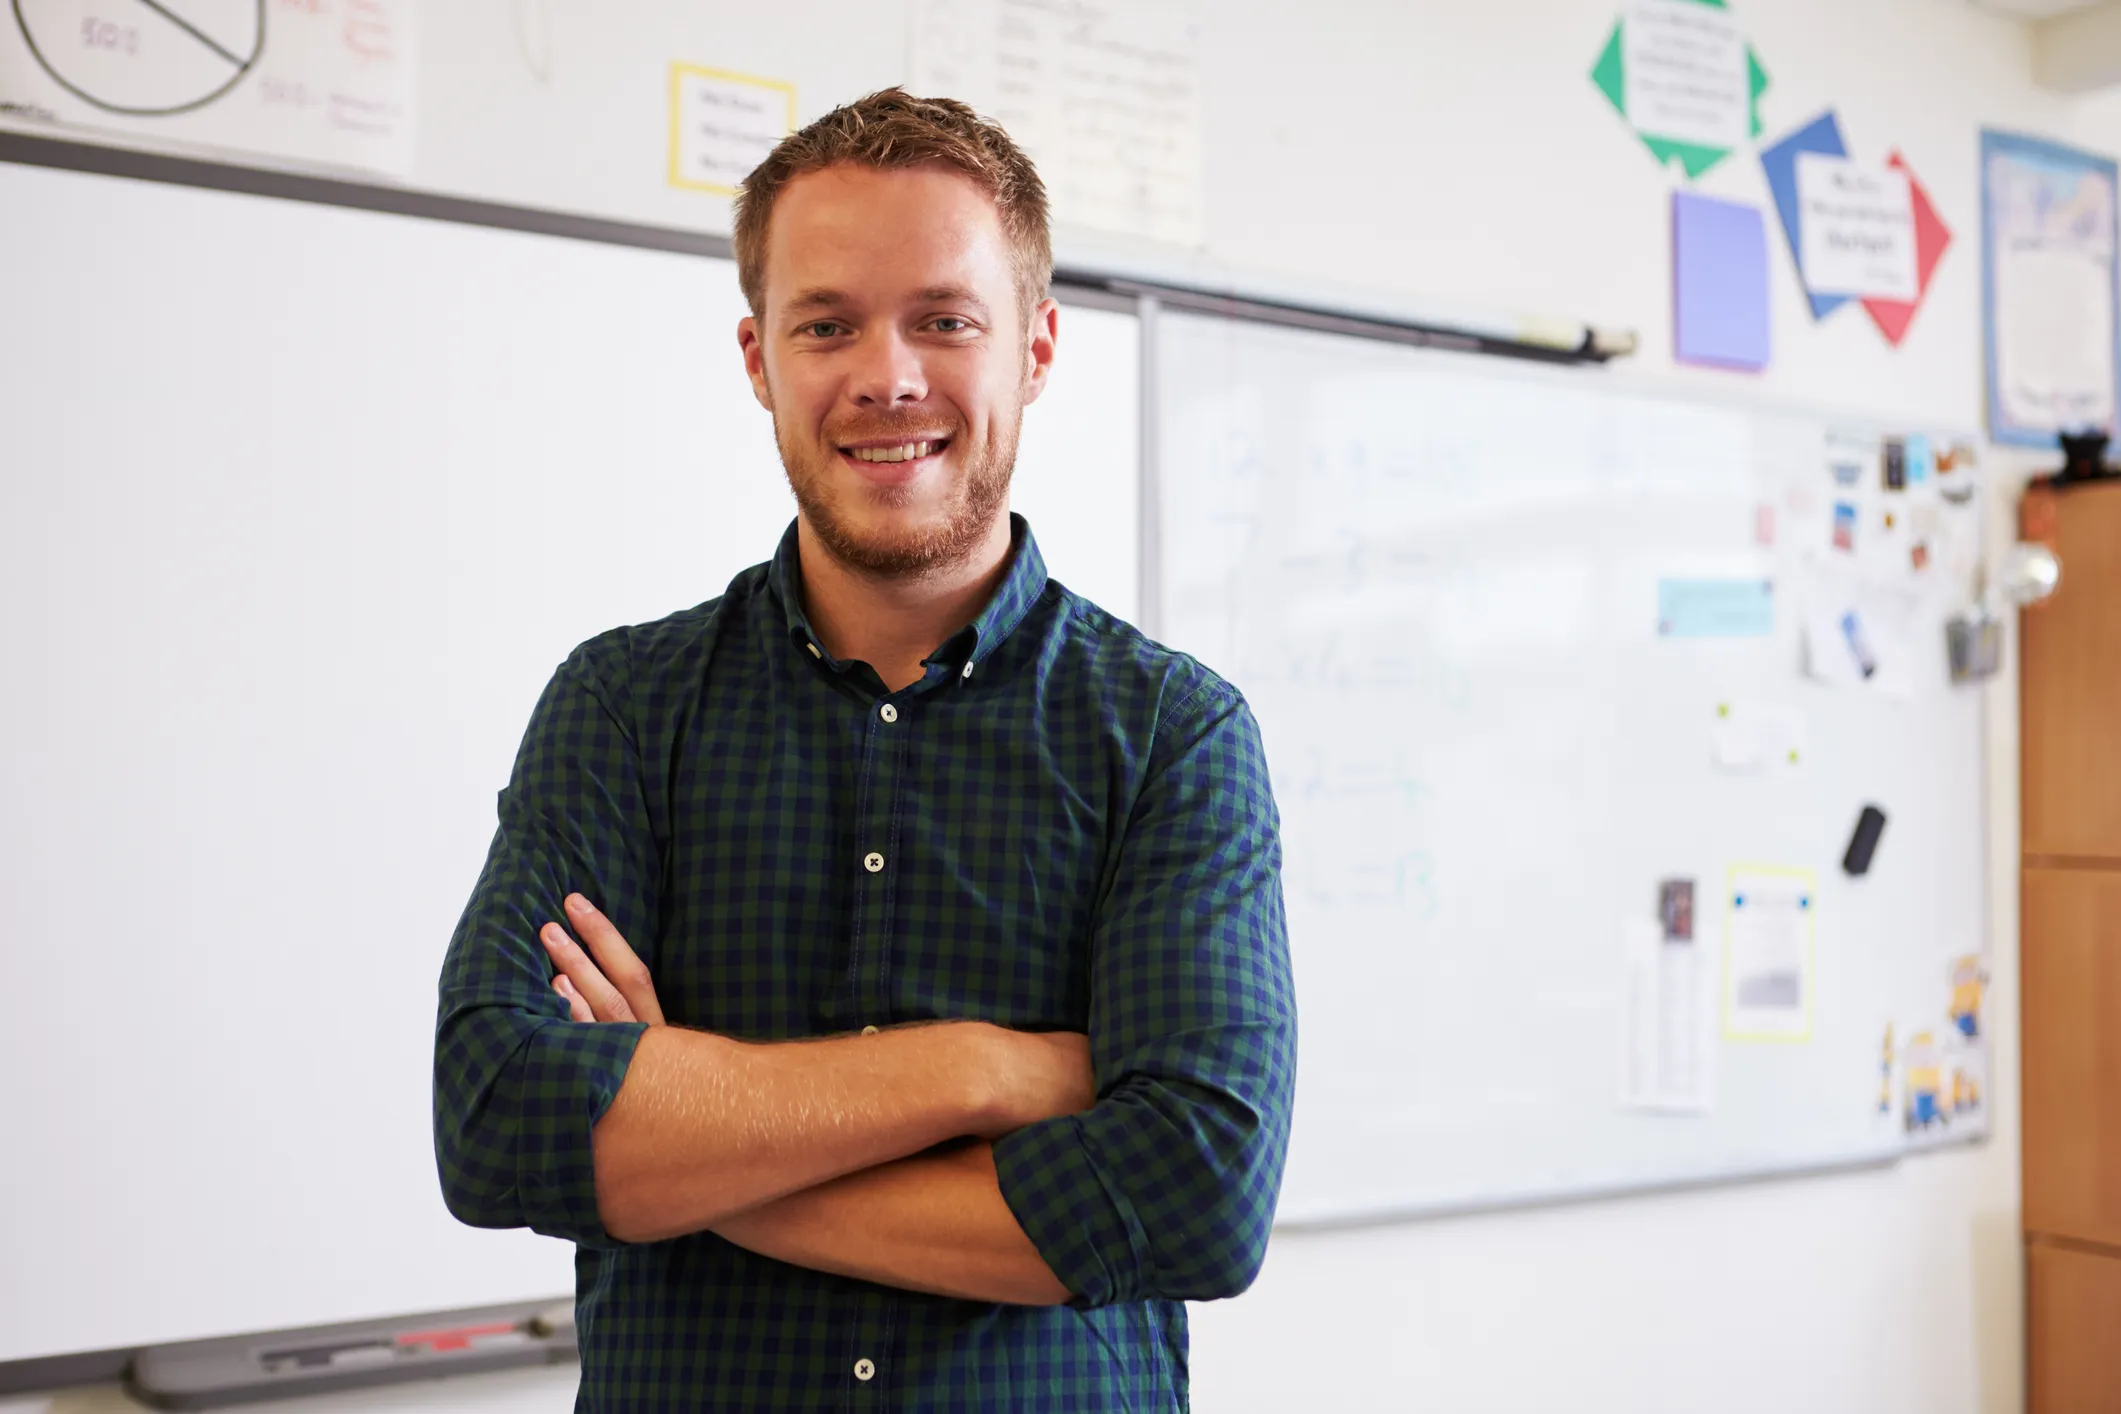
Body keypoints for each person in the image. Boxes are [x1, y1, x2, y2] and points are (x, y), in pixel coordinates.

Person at [431, 88, 1296, 1413]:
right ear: (759, 358)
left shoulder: (1173, 735)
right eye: (827, 322)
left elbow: (1193, 1199)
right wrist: (989, 1070)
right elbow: (499, 1124)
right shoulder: (620, 707)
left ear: (1039, 348)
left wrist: (701, 1148)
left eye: (944, 320)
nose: (886, 374)